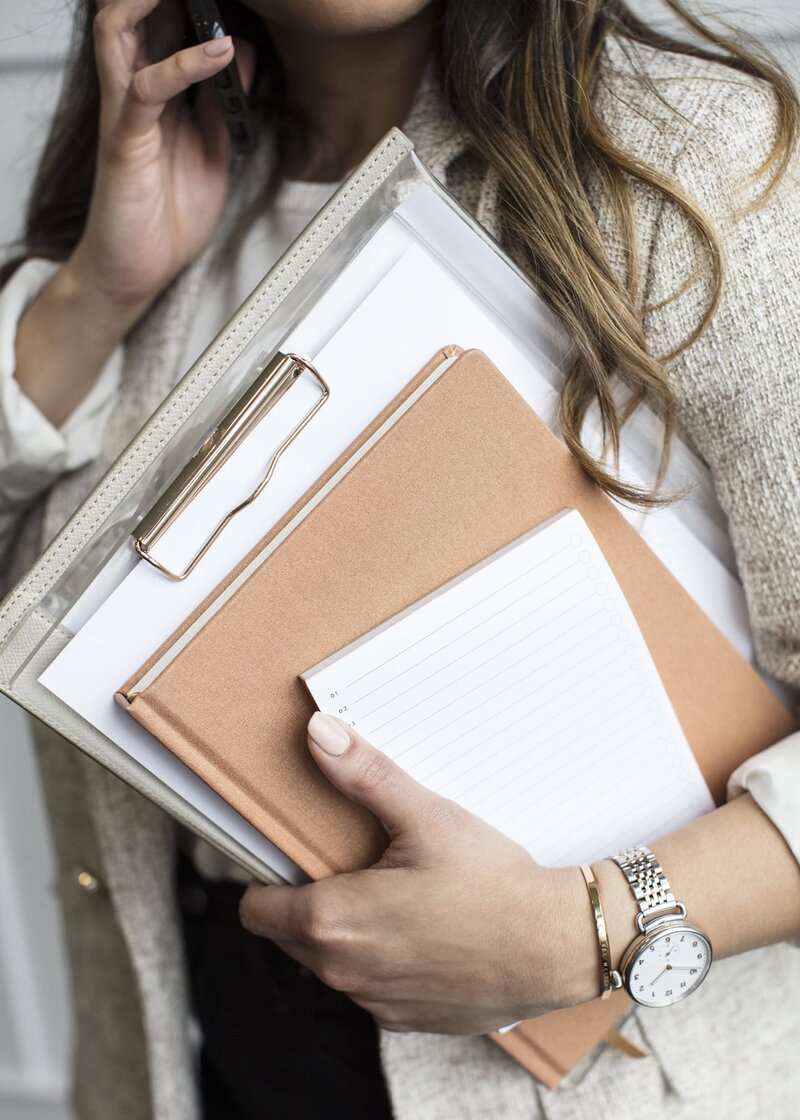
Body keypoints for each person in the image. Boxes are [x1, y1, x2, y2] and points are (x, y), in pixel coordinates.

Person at [2, 1, 800, 1117]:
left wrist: (587, 927)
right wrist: (96, 290)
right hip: (198, 1041)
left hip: (591, 1071)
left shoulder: (685, 161)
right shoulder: (163, 173)